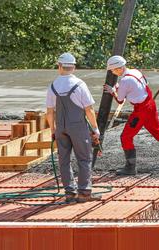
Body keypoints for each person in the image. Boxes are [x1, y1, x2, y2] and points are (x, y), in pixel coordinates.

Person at [104, 55, 159, 175]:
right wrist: (120, 89)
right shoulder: (135, 71)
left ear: (119, 68)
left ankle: (130, 168)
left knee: (125, 137)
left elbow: (120, 100)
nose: (112, 72)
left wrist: (112, 91)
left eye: (113, 70)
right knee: (158, 132)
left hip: (141, 110)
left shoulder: (125, 80)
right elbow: (144, 84)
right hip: (150, 104)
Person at [46, 52, 101, 203]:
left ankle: (69, 193)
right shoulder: (79, 84)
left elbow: (49, 112)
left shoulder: (53, 86)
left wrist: (53, 130)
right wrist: (95, 129)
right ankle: (84, 193)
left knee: (64, 160)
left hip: (60, 128)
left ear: (59, 66)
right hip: (78, 127)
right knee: (84, 158)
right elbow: (89, 110)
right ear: (74, 67)